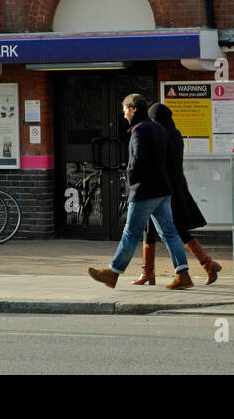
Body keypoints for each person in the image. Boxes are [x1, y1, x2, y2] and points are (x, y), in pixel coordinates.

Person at [88, 93, 192, 290]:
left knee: (130, 233)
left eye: (125, 109)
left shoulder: (139, 130)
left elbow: (137, 161)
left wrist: (129, 178)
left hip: (145, 191)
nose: (124, 114)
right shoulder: (159, 129)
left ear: (133, 109)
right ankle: (183, 274)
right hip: (162, 189)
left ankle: (113, 273)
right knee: (169, 232)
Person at [133, 102, 222, 285]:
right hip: (176, 186)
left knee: (166, 229)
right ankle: (206, 263)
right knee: (172, 228)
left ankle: (149, 272)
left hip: (161, 188)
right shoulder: (175, 135)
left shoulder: (160, 136)